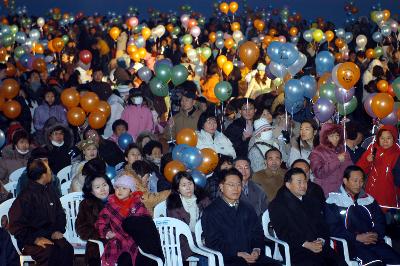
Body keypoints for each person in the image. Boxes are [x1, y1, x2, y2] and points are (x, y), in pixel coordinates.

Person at [202, 168, 281, 266]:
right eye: (231, 185)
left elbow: (257, 232)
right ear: (221, 187)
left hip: (251, 256)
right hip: (229, 258)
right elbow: (212, 242)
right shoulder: (211, 212)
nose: (236, 188)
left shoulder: (247, 208)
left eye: (239, 184)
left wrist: (256, 249)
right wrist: (238, 253)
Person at [269, 168, 346, 266]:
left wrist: (321, 239)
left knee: (339, 262)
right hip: (297, 248)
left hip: (319, 245)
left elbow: (322, 224)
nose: (303, 186)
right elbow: (284, 232)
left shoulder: (311, 200)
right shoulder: (277, 204)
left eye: (305, 182)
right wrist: (306, 244)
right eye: (299, 182)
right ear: (288, 185)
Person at [325, 165, 400, 265]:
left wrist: (376, 234)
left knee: (396, 261)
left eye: (361, 181)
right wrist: (356, 237)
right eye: (355, 181)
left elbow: (380, 221)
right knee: (374, 263)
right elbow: (332, 228)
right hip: (351, 244)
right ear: (345, 181)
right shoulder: (333, 201)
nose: (359, 184)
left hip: (373, 242)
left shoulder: (368, 199)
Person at [8, 158, 74, 266]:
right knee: (50, 253)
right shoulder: (25, 197)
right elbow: (15, 226)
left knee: (66, 249)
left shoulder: (50, 191)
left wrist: (57, 230)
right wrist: (35, 239)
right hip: (30, 240)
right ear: (43, 175)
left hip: (51, 235)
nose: (51, 172)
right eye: (49, 170)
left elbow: (60, 214)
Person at [95, 175, 150, 266]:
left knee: (141, 258)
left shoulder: (137, 205)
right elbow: (100, 222)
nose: (119, 191)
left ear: (131, 191)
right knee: (123, 259)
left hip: (135, 241)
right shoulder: (110, 206)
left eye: (124, 188)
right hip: (117, 241)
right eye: (117, 188)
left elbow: (146, 222)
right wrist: (107, 232)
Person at [166, 172, 210, 262]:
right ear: (178, 189)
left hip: (206, 238)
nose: (188, 188)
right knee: (206, 256)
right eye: (184, 185)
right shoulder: (174, 204)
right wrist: (199, 240)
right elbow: (179, 232)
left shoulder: (203, 199)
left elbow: (212, 219)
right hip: (186, 242)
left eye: (190, 184)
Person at [357, 125, 400, 209]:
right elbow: (359, 170)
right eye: (382, 138)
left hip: (389, 196)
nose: (385, 141)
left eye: (388, 138)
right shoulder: (373, 148)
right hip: (371, 193)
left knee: (387, 220)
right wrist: (367, 161)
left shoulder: (397, 153)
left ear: (394, 138)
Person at [76, 174, 114, 266]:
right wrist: (104, 234)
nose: (102, 189)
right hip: (97, 246)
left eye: (104, 185)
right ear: (91, 191)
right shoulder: (86, 205)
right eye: (97, 187)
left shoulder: (119, 199)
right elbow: (81, 228)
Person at [310, 123, 352, 197]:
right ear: (325, 137)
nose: (335, 138)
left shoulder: (343, 150)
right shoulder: (317, 151)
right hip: (326, 192)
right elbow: (319, 173)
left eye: (337, 136)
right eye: (331, 136)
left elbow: (350, 170)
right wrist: (337, 161)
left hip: (343, 192)